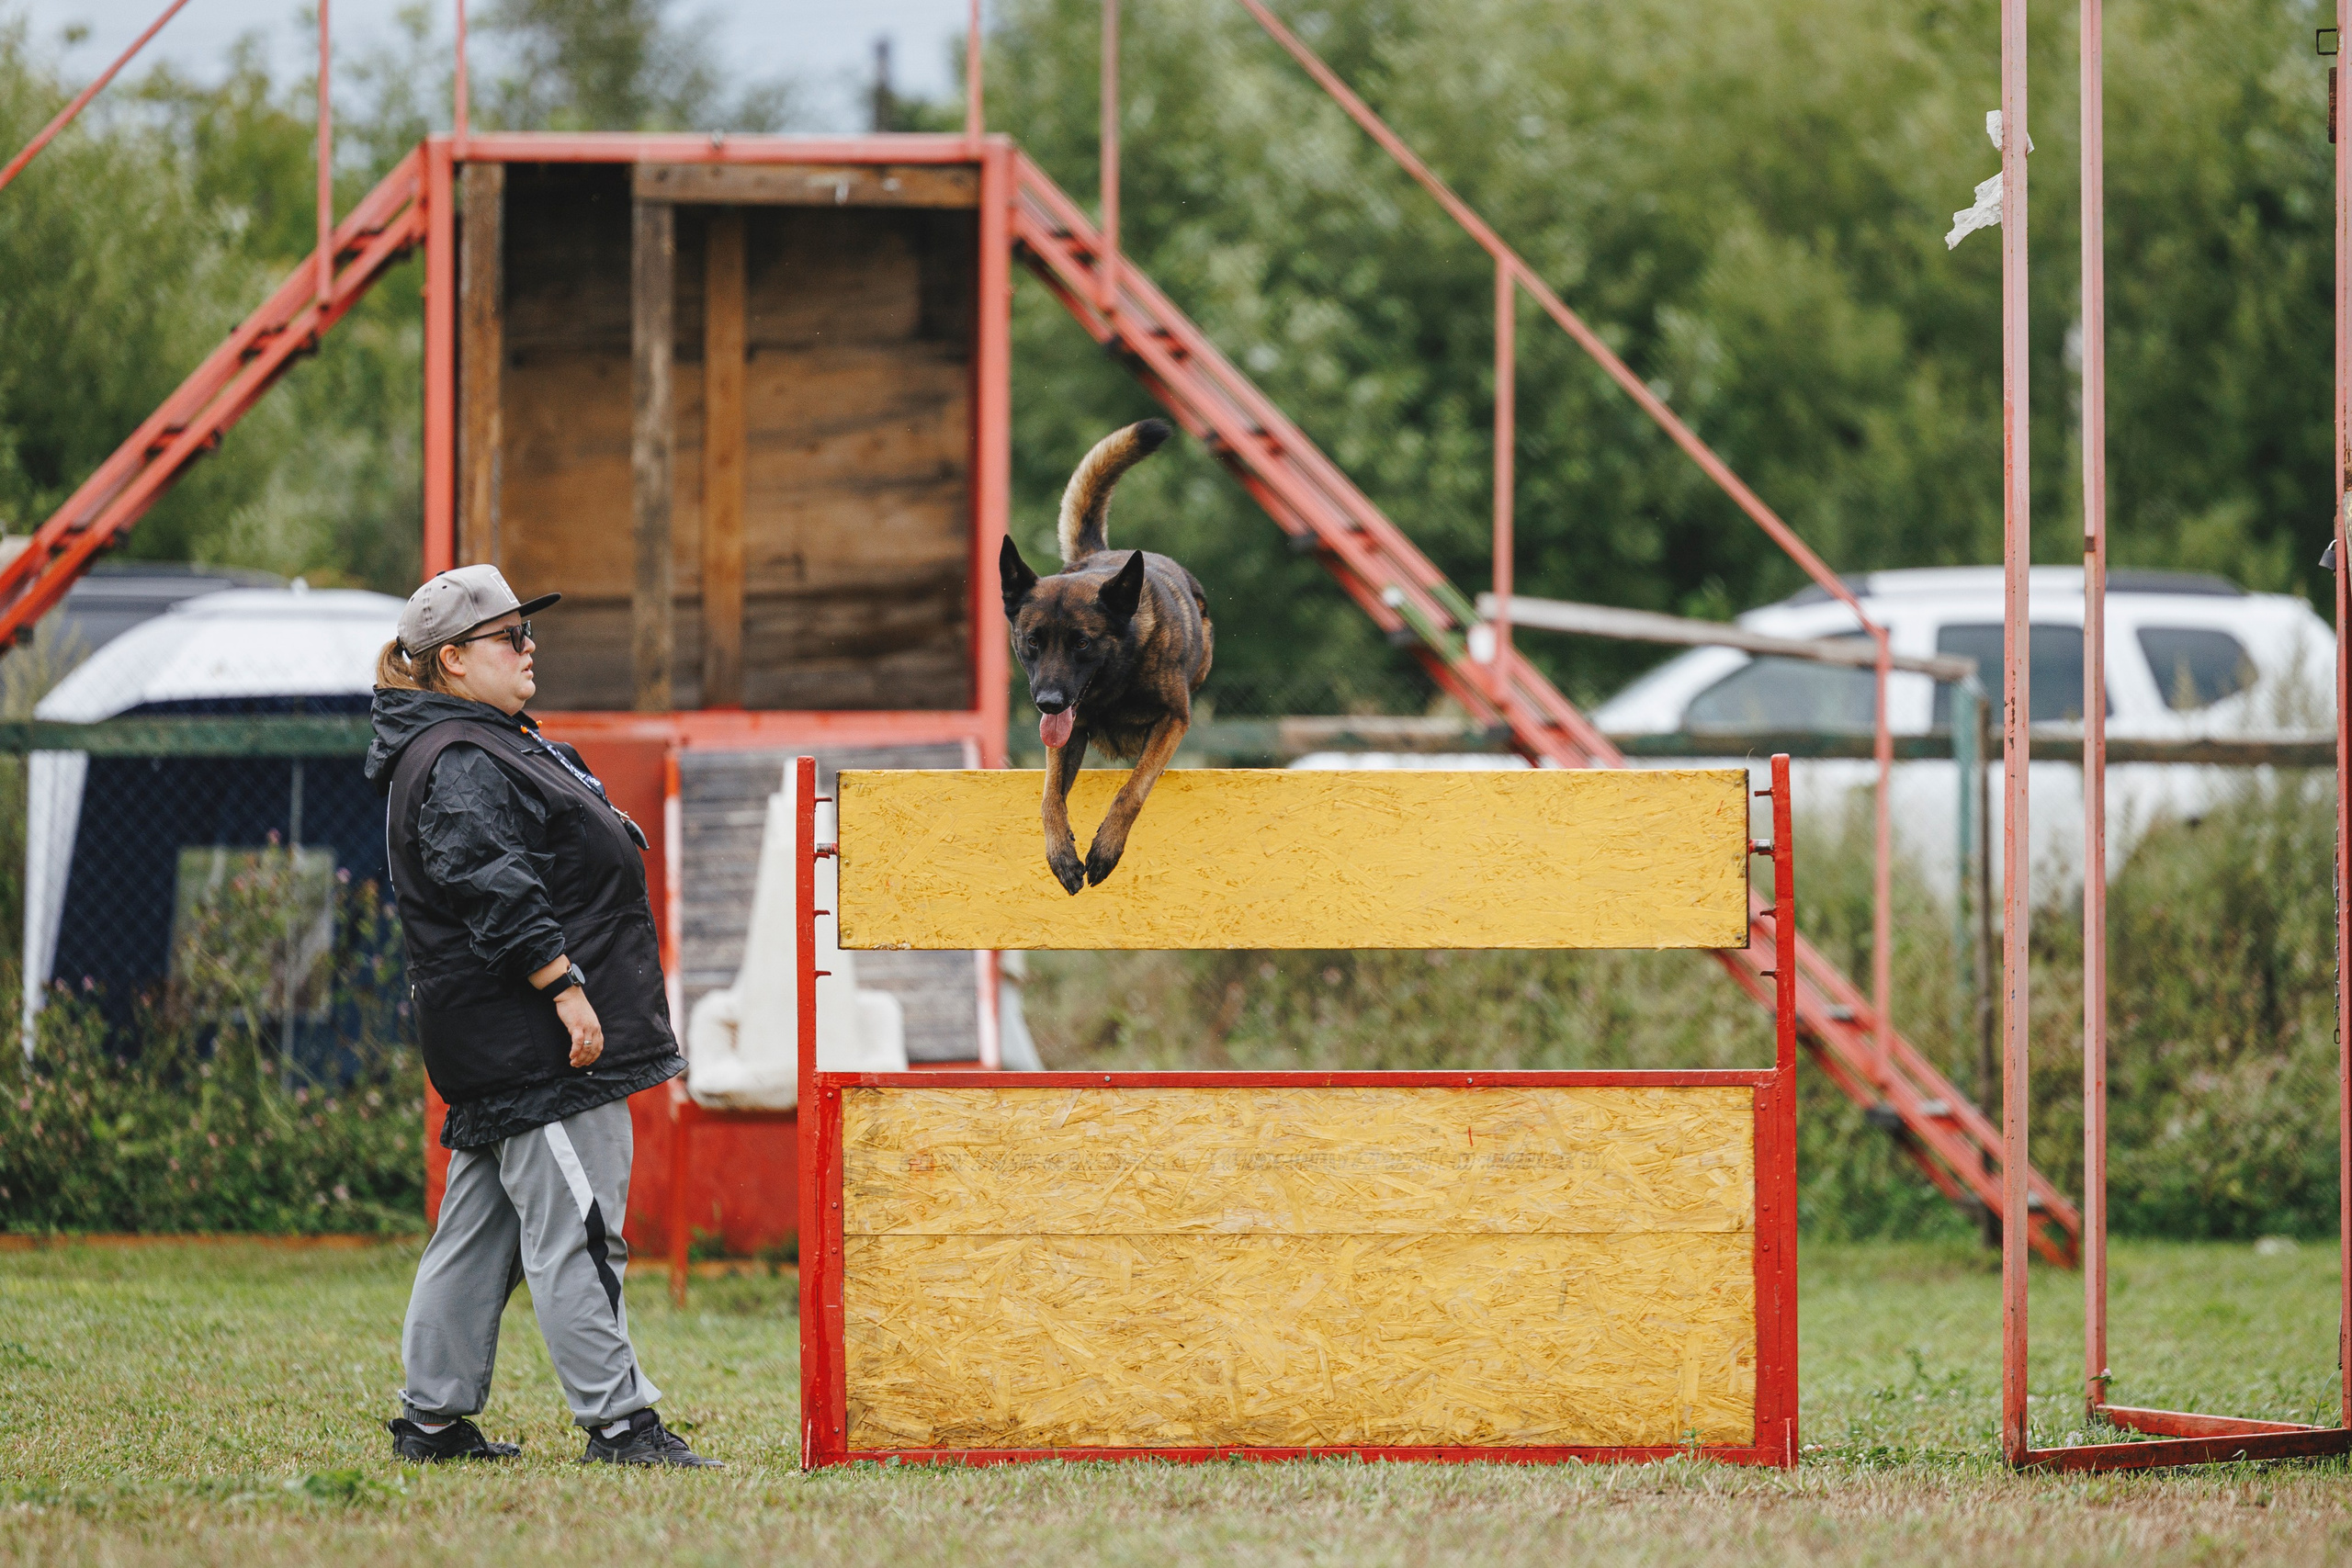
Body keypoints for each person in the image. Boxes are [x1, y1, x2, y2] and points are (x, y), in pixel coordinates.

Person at [365, 564, 715, 1468]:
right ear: (451, 662)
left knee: (478, 1233)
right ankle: (621, 1425)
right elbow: (493, 883)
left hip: (506, 1039)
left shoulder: (480, 740)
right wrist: (562, 985)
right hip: (540, 1043)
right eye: (509, 637)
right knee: (582, 1229)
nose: (530, 649)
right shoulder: (462, 758)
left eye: (527, 632)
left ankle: (431, 1422)